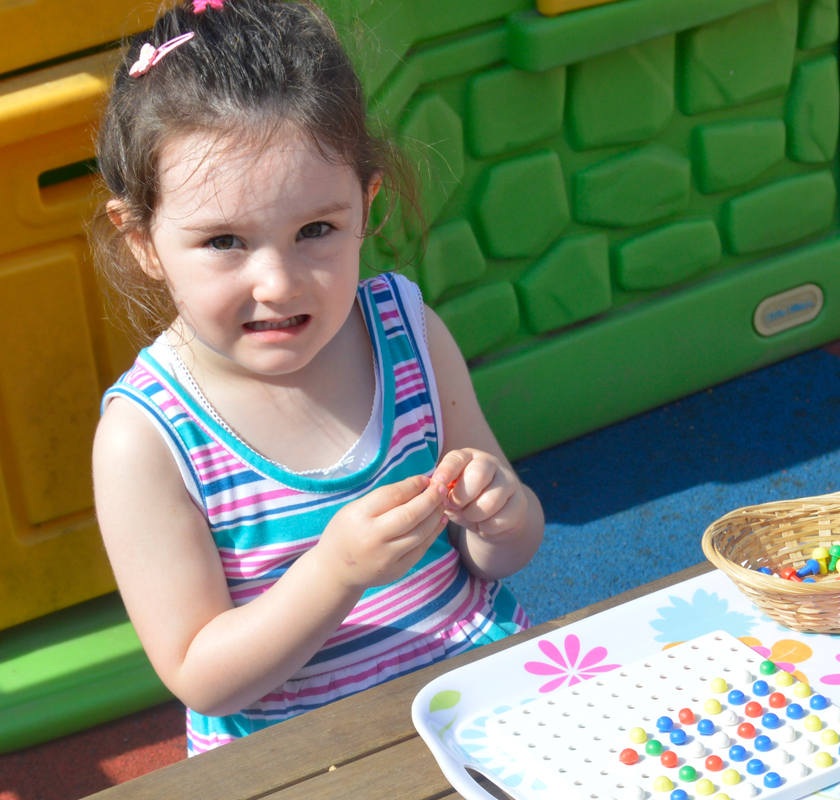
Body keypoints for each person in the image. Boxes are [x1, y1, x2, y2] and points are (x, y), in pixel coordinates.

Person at [90, 0, 544, 756]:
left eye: (316, 231)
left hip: (473, 691)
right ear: (142, 240)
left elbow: (505, 553)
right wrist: (335, 573)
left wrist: (499, 514)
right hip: (298, 754)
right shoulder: (144, 439)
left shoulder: (407, 333)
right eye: (224, 241)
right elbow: (202, 676)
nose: (279, 283)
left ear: (366, 207)